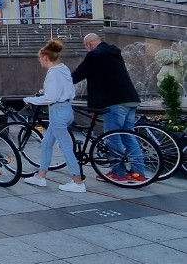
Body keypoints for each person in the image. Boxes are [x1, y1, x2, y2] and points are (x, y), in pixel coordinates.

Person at [72, 33, 145, 182]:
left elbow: (78, 74)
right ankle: (139, 174)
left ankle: (118, 173)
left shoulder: (95, 54)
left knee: (112, 137)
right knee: (128, 136)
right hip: (130, 100)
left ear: (89, 44)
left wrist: (61, 80)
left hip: (114, 102)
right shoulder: (114, 52)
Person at [23, 40, 85, 193]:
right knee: (46, 143)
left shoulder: (53, 73)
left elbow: (51, 97)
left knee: (66, 147)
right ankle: (40, 176)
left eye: (39, 58)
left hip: (58, 111)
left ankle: (77, 182)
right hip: (65, 109)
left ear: (45, 57)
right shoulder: (62, 69)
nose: (39, 61)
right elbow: (64, 91)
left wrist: (30, 99)